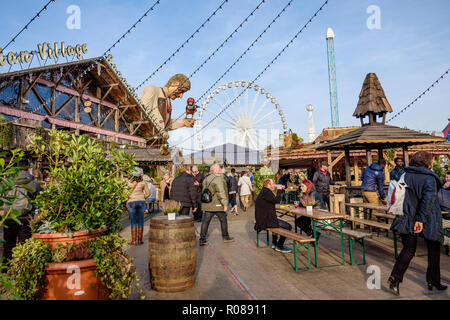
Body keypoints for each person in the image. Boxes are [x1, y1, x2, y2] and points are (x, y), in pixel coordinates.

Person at [388, 151, 447, 295]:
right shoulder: (430, 178)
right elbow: (428, 201)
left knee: (408, 249)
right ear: (427, 162)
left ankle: (395, 278)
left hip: (407, 216)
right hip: (428, 218)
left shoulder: (405, 174)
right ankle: (433, 281)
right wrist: (420, 219)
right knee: (433, 249)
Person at [2, 159, 42, 264]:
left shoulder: (9, 182)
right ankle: (22, 268)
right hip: (25, 218)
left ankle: (6, 271)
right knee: (24, 245)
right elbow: (41, 197)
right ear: (28, 168)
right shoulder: (33, 183)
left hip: (9, 217)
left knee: (8, 245)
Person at [199, 163, 234, 246]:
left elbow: (204, 189)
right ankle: (225, 237)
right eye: (218, 168)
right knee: (223, 220)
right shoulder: (217, 179)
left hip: (208, 204)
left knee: (205, 222)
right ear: (214, 170)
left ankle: (202, 239)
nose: (220, 169)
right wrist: (225, 204)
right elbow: (221, 192)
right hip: (217, 204)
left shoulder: (206, 178)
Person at [254, 179, 292, 253]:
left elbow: (269, 205)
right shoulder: (266, 192)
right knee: (288, 227)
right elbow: (277, 200)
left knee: (278, 223)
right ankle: (279, 246)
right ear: (268, 185)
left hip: (263, 218)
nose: (274, 185)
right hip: (265, 221)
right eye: (272, 183)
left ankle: (274, 243)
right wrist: (279, 190)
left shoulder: (264, 191)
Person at [295, 180, 325, 245]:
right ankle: (311, 234)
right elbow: (302, 204)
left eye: (302, 186)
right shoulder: (307, 193)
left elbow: (307, 204)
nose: (301, 188)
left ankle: (314, 237)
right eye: (300, 186)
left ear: (308, 186)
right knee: (298, 221)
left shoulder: (312, 193)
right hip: (311, 212)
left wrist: (302, 199)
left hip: (319, 212)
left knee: (306, 221)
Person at [127, 167, 150, 246]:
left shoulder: (128, 182)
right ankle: (140, 241)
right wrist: (143, 197)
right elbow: (148, 193)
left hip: (131, 202)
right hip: (141, 202)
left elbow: (124, 192)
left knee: (133, 221)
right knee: (140, 221)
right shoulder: (143, 182)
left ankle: (133, 241)